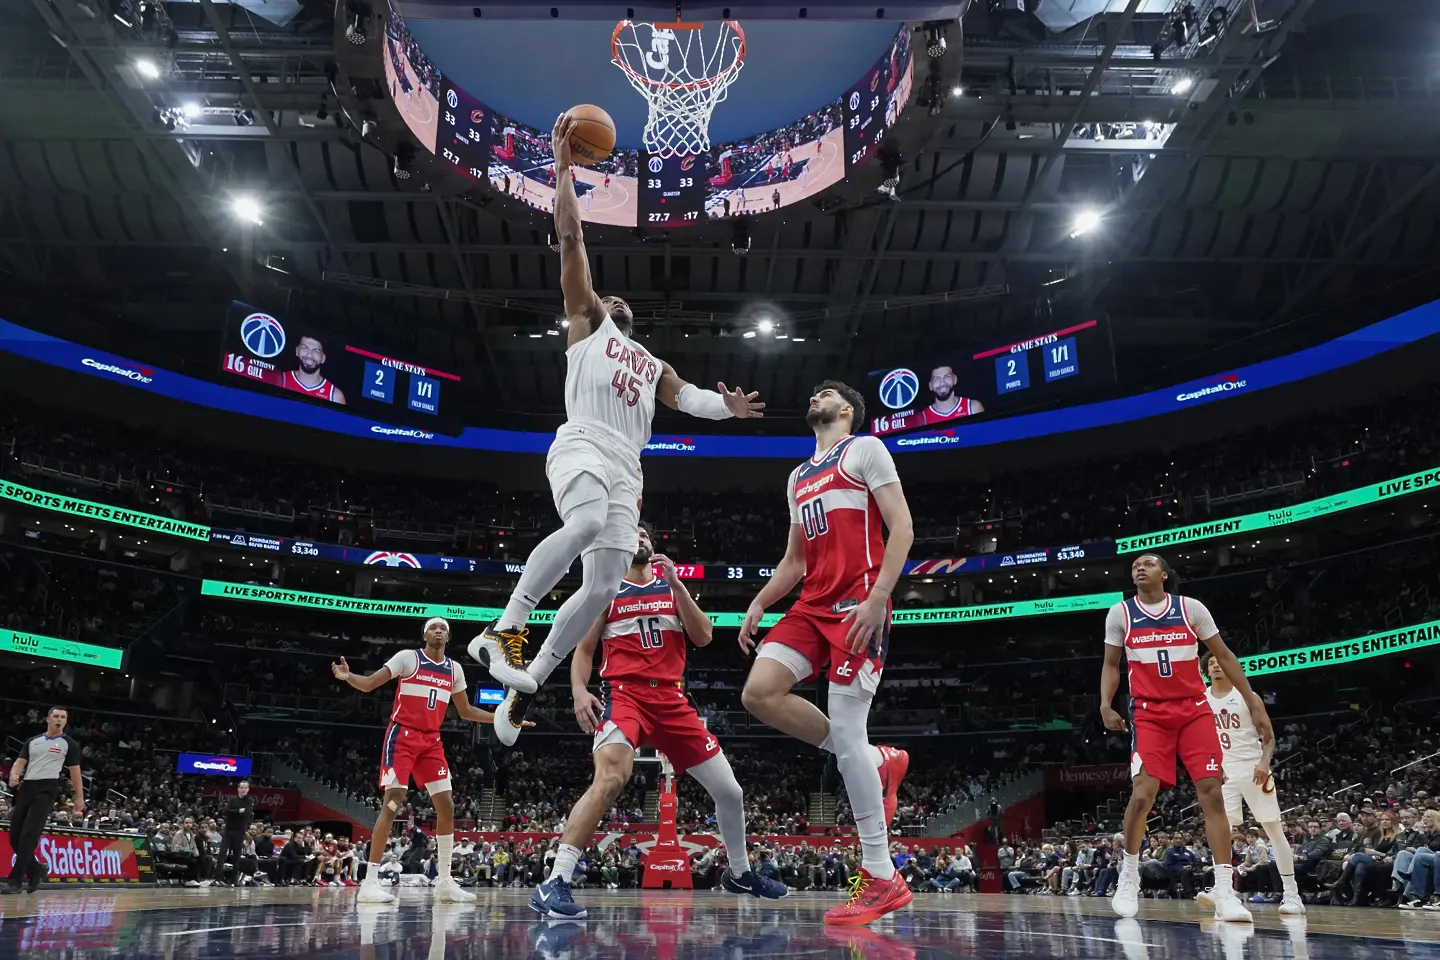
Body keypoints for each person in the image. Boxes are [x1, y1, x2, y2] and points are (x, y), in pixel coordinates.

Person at [469, 111, 764, 745]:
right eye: (613, 299)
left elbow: (688, 399)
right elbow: (572, 240)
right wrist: (564, 171)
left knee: (603, 584)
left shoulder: (654, 363)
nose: (619, 302)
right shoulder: (587, 323)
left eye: (627, 305)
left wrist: (728, 408)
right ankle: (505, 629)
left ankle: (528, 682)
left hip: (629, 465)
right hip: (583, 443)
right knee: (581, 526)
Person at [530, 523, 787, 919]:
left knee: (730, 791)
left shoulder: (671, 588)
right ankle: (556, 881)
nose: (639, 539)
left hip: (670, 699)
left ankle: (739, 873)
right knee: (612, 777)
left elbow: (703, 636)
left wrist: (679, 586)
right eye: (631, 535)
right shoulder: (606, 591)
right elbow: (584, 650)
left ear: (653, 546)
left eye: (645, 535)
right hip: (625, 695)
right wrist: (579, 691)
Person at [737, 380, 915, 926]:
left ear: (845, 410)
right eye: (811, 391)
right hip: (812, 605)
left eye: (826, 392)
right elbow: (794, 561)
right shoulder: (797, 476)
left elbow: (903, 526)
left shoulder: (864, 449)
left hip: (860, 602)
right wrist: (760, 602)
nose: (813, 395)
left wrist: (879, 598)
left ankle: (882, 876)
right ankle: (875, 760)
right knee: (759, 693)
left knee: (846, 724)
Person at [1099, 553, 1274, 922]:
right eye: (1135, 566)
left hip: (1194, 709)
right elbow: (1112, 664)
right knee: (1143, 794)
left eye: (1147, 564)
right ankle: (1128, 875)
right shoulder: (1120, 614)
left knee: (1211, 792)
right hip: (1148, 711)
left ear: (1164, 574)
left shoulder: (1191, 608)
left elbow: (1223, 656)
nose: (1139, 568)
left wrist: (1252, 702)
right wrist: (1104, 704)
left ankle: (1225, 891)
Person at [332, 616, 514, 904]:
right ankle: (369, 883)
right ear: (424, 634)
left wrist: (503, 719)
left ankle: (444, 882)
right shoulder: (408, 658)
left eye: (443, 628)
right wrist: (348, 676)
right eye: (433, 628)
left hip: (431, 741)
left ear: (448, 637)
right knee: (393, 801)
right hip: (402, 735)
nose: (438, 631)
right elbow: (368, 685)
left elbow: (465, 711)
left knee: (447, 806)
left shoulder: (454, 669)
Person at [1192, 649, 1304, 915]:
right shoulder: (1201, 700)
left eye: (1221, 663)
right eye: (1212, 664)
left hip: (1253, 767)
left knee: (1273, 829)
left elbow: (1269, 735)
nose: (1217, 667)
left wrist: (1265, 763)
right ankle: (1224, 892)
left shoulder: (1247, 696)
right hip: (1222, 772)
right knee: (1221, 832)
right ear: (1206, 670)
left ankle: (1292, 895)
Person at [3, 706, 83, 894]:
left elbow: (75, 772)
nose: (59, 719)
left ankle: (14, 881)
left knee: (29, 835)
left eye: (63, 717)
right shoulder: (33, 741)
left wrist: (79, 798)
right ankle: (36, 870)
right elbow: (19, 762)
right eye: (56, 716)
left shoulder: (69, 744)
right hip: (26, 788)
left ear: (66, 721)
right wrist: (14, 775)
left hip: (47, 789)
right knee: (14, 836)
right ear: (47, 719)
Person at [281, 335, 346, 404]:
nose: (309, 355)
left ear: (323, 358)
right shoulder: (281, 380)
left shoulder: (334, 396)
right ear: (297, 351)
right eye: (304, 348)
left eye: (316, 351)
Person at [214, 780, 255, 887]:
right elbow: (224, 811)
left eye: (245, 787)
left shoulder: (249, 801)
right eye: (241, 787)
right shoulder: (232, 799)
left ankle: (233, 880)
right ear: (238, 789)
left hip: (240, 831)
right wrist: (238, 811)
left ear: (248, 789)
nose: (243, 789)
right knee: (222, 854)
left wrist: (234, 812)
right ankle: (217, 878)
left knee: (237, 856)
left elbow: (247, 813)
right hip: (228, 830)